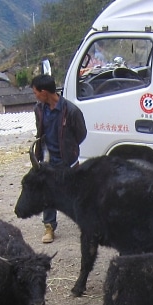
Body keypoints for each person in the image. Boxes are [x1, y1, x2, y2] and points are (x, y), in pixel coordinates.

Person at [31, 74, 87, 244]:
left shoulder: (71, 111)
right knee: (47, 193)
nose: (35, 96)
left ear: (44, 92)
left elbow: (81, 134)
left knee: (75, 193)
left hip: (67, 160)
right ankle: (49, 227)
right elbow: (39, 131)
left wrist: (69, 149)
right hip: (48, 158)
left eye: (36, 92)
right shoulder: (39, 109)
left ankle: (86, 224)